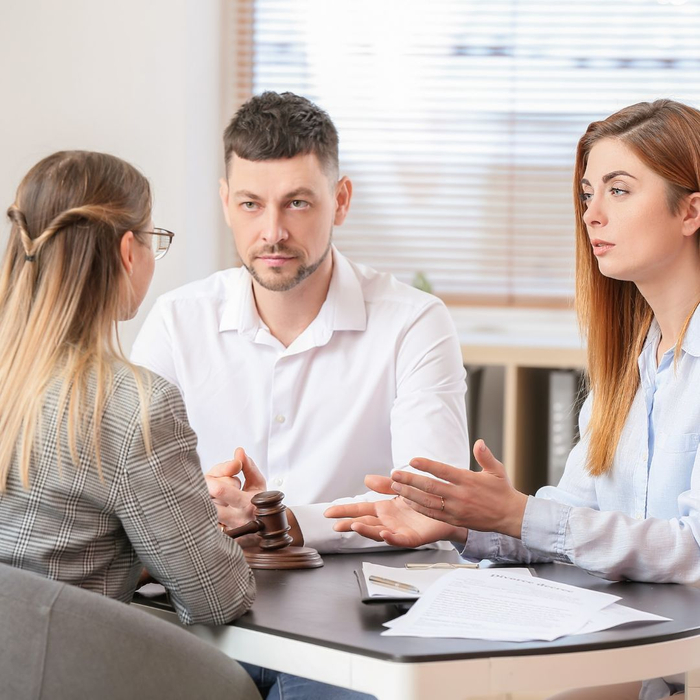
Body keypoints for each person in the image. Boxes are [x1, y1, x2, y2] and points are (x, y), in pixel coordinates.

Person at [326, 99, 700, 700]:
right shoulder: (628, 372)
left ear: (691, 211)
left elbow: (695, 548)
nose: (592, 214)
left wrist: (517, 513)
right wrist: (461, 524)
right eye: (586, 194)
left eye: (619, 191)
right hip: (641, 663)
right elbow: (574, 517)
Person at [131, 91, 469, 553]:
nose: (272, 232)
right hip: (220, 589)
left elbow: (430, 503)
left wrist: (276, 522)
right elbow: (133, 490)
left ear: (341, 201)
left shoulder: (414, 323)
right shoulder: (176, 320)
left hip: (368, 603)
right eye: (251, 204)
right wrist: (201, 501)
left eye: (297, 203)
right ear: (226, 203)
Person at [0, 151, 257, 643]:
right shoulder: (133, 406)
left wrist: (145, 536)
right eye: (153, 239)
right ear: (127, 251)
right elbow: (218, 598)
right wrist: (195, 527)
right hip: (68, 672)